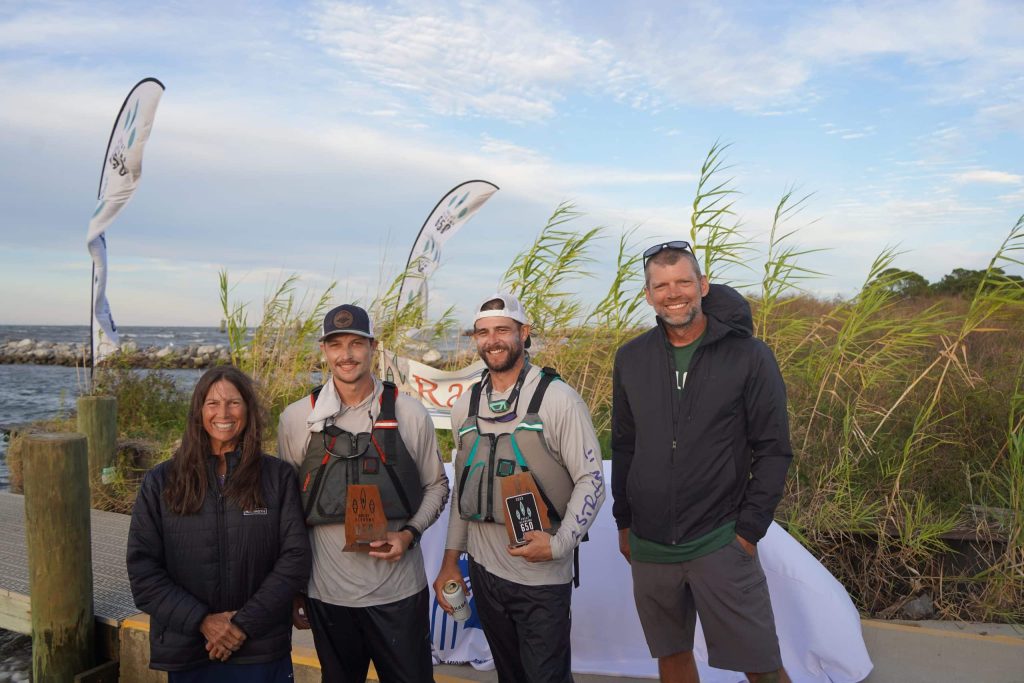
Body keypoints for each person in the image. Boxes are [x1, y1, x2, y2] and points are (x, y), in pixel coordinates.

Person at [611, 241, 793, 683]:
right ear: (648, 294)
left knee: (761, 665)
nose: (674, 293)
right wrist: (625, 521)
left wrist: (748, 531)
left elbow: (773, 449)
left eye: (683, 282)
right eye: (661, 285)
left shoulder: (749, 355)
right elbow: (625, 444)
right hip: (650, 544)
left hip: (720, 540)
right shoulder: (631, 358)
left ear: (703, 285)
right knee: (671, 658)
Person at [433, 293, 606, 683]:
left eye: (502, 330)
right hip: (484, 570)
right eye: (482, 332)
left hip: (541, 577)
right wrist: (450, 562)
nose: (492, 340)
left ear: (524, 333)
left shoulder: (558, 399)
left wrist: (559, 544)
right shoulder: (466, 405)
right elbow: (465, 489)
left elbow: (592, 480)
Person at [278, 304, 449, 683]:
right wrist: (293, 588)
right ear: (323, 351)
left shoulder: (409, 413)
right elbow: (286, 511)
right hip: (327, 595)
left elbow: (437, 486)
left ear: (373, 347)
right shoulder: (295, 418)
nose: (347, 354)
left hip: (399, 593)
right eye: (336, 344)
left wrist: (409, 534)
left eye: (357, 343)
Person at [127, 365, 311, 682]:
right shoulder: (161, 481)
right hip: (190, 651)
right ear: (199, 411)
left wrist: (242, 625)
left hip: (261, 650)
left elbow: (295, 558)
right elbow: (143, 571)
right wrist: (203, 621)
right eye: (212, 403)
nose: (222, 413)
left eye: (233, 402)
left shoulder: (277, 477)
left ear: (248, 410)